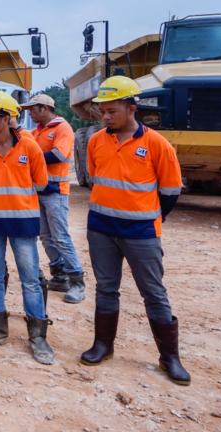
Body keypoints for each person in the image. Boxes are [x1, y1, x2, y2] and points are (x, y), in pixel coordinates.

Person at [79, 76, 189, 385]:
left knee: (154, 293)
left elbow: (170, 192)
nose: (105, 116)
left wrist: (148, 218)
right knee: (106, 287)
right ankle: (103, 345)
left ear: (132, 108)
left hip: (141, 232)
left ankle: (170, 357)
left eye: (112, 111)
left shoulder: (157, 144)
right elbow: (95, 177)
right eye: (102, 111)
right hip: (100, 228)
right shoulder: (96, 140)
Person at [0, 92, 54, 364]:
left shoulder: (30, 147)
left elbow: (41, 183)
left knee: (30, 280)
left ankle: (38, 337)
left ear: (7, 119)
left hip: (24, 224)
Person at [24, 94, 86, 304]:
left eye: (32, 109)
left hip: (56, 190)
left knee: (60, 236)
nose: (29, 113)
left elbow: (59, 155)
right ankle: (59, 276)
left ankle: (77, 280)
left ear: (44, 108)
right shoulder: (35, 132)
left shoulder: (62, 128)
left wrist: (30, 157)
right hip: (39, 190)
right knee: (45, 235)